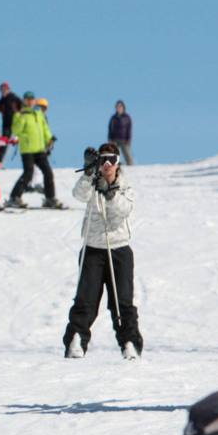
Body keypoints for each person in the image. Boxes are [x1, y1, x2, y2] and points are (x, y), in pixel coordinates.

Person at [63, 143, 141, 360]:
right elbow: (79, 195)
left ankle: (129, 343)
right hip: (93, 248)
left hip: (119, 249)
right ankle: (76, 340)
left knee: (122, 301)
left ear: (118, 163)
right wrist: (89, 173)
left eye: (112, 160)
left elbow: (123, 209)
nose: (108, 165)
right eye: (103, 159)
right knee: (86, 299)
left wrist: (111, 191)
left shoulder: (125, 187)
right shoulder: (92, 183)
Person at [9, 91, 63, 209]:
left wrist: (49, 138)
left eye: (31, 99)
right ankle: (14, 197)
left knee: (48, 173)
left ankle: (50, 198)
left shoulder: (38, 114)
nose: (29, 101)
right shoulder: (19, 115)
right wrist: (22, 116)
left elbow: (45, 128)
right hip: (27, 149)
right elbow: (16, 130)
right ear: (24, 101)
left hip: (39, 149)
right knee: (28, 174)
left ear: (34, 101)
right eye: (27, 99)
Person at [0, 82, 21, 165]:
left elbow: (22, 106)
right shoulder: (2, 101)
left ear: (8, 89)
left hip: (16, 123)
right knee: (4, 141)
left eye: (5, 89)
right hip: (6, 124)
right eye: (2, 90)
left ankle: (32, 160)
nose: (3, 91)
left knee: (22, 139)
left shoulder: (14, 97)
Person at [109, 100, 133, 165]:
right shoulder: (113, 118)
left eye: (120, 106)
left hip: (124, 139)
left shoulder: (127, 117)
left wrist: (128, 139)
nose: (119, 108)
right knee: (114, 155)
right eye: (117, 106)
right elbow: (110, 129)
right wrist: (110, 139)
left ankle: (131, 166)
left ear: (123, 107)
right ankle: (115, 166)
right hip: (114, 139)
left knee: (127, 154)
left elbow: (129, 129)